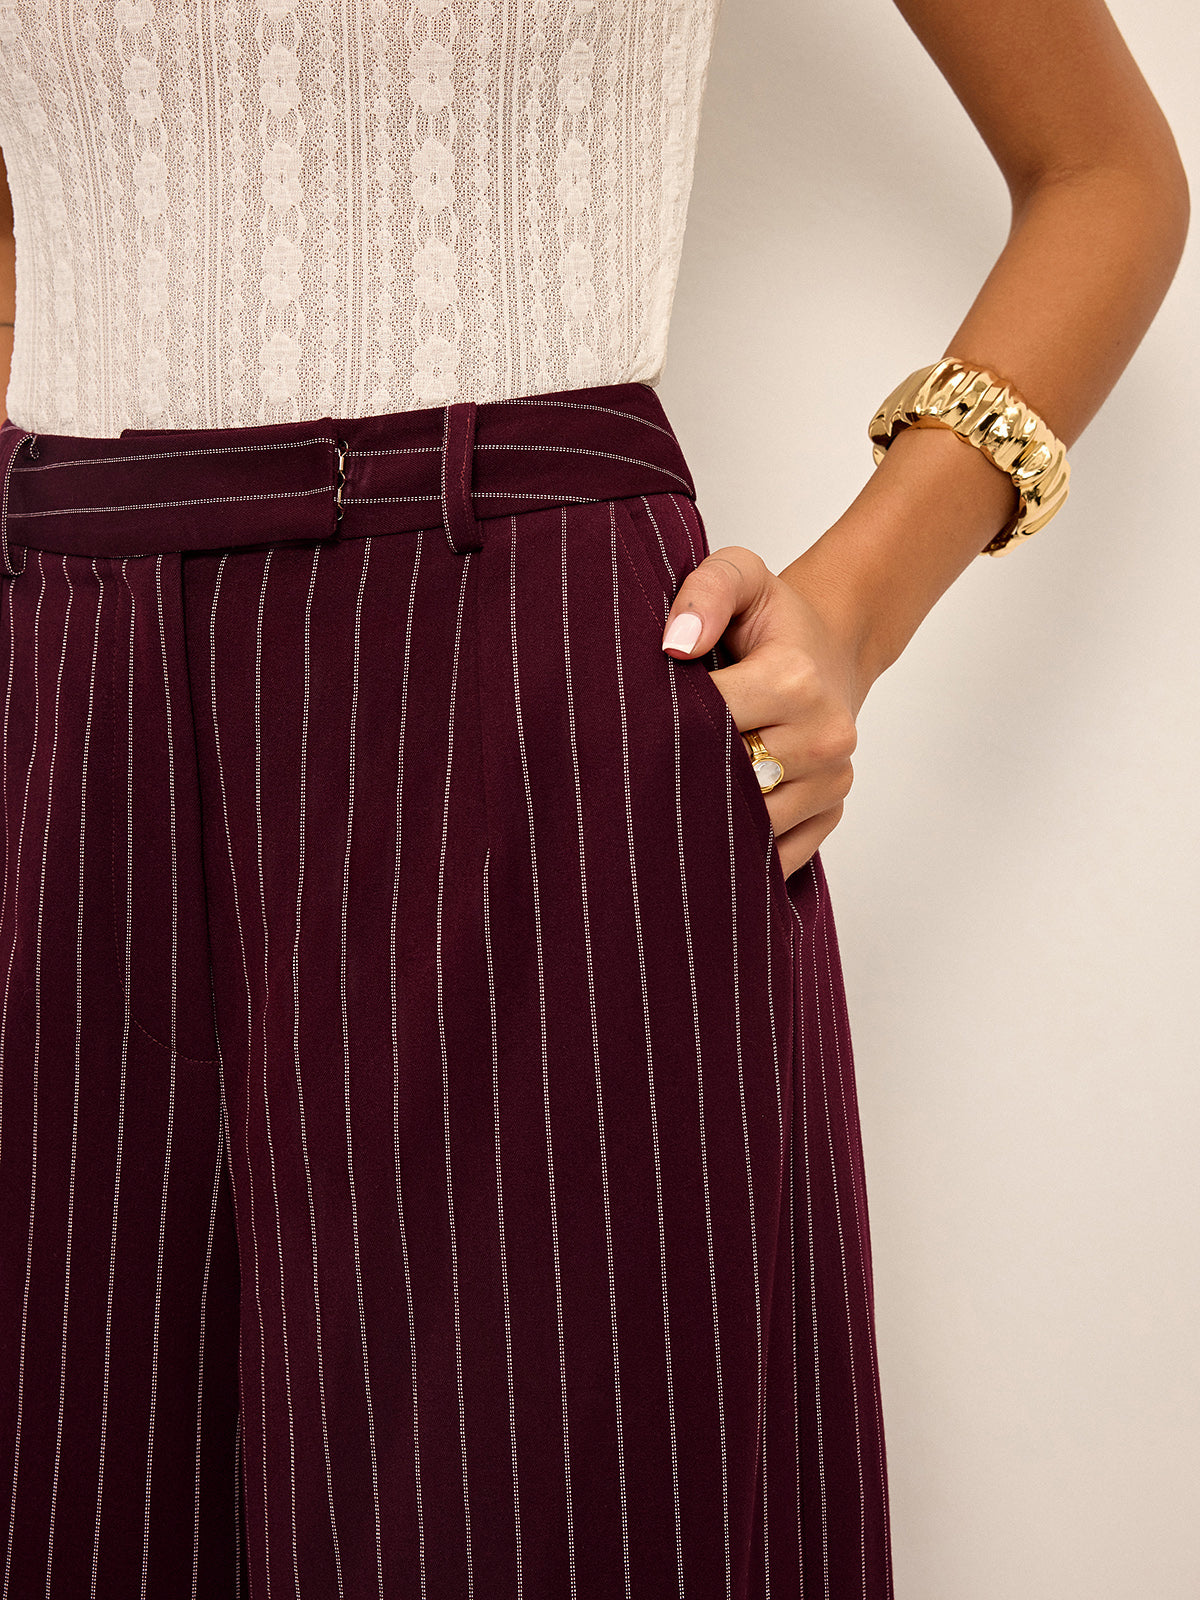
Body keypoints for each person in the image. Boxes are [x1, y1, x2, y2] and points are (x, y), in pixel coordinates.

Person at [0, 2, 1187, 1597]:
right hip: (55, 688)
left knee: (548, 1519)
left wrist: (854, 612)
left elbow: (1106, 170)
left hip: (527, 706)